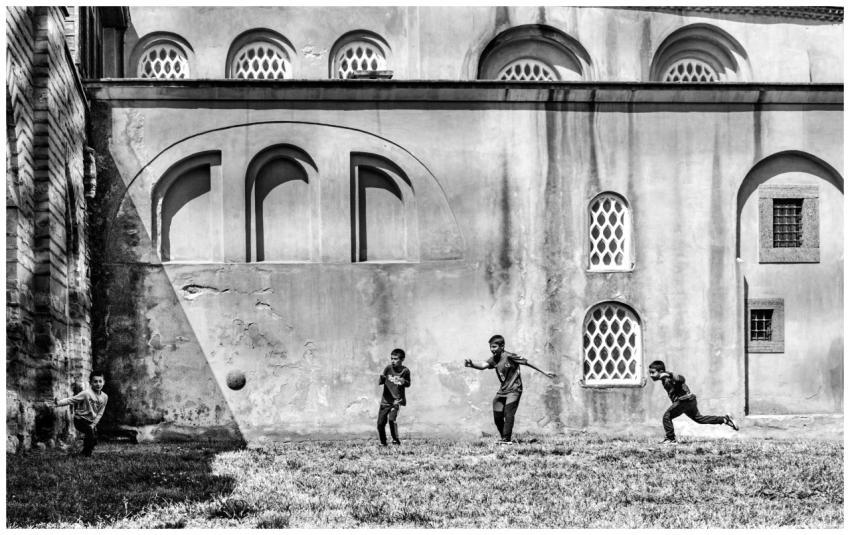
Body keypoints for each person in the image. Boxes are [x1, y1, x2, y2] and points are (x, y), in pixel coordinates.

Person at [464, 334, 556, 444]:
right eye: (491, 347)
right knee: (497, 416)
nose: (492, 350)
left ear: (502, 346)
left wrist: (544, 371)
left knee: (508, 414)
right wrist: (472, 364)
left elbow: (528, 363)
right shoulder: (494, 359)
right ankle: (504, 438)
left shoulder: (510, 356)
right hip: (502, 391)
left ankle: (506, 440)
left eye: (494, 347)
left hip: (514, 390)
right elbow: (483, 365)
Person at [648, 360, 738, 444]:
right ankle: (725, 419)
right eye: (650, 373)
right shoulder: (665, 379)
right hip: (690, 400)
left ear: (661, 371)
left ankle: (671, 439)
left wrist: (670, 375)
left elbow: (681, 379)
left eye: (653, 372)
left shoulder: (668, 378)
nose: (651, 375)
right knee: (699, 419)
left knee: (666, 416)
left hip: (684, 401)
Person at [47, 371, 109, 456]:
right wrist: (58, 403)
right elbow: (71, 400)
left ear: (104, 382)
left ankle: (85, 450)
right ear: (90, 382)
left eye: (100, 381)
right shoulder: (86, 393)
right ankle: (87, 455)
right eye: (95, 381)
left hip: (91, 421)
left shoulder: (105, 397)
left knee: (93, 439)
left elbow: (100, 413)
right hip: (80, 419)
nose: (98, 384)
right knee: (90, 433)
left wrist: (93, 424)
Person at [377, 348, 411, 446]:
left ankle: (395, 439)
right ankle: (383, 443)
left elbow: (408, 384)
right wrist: (381, 379)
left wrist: (403, 381)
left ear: (402, 359)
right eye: (392, 358)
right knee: (380, 424)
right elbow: (381, 381)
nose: (393, 361)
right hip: (385, 400)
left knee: (392, 419)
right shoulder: (388, 368)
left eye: (395, 359)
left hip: (396, 401)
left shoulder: (405, 371)